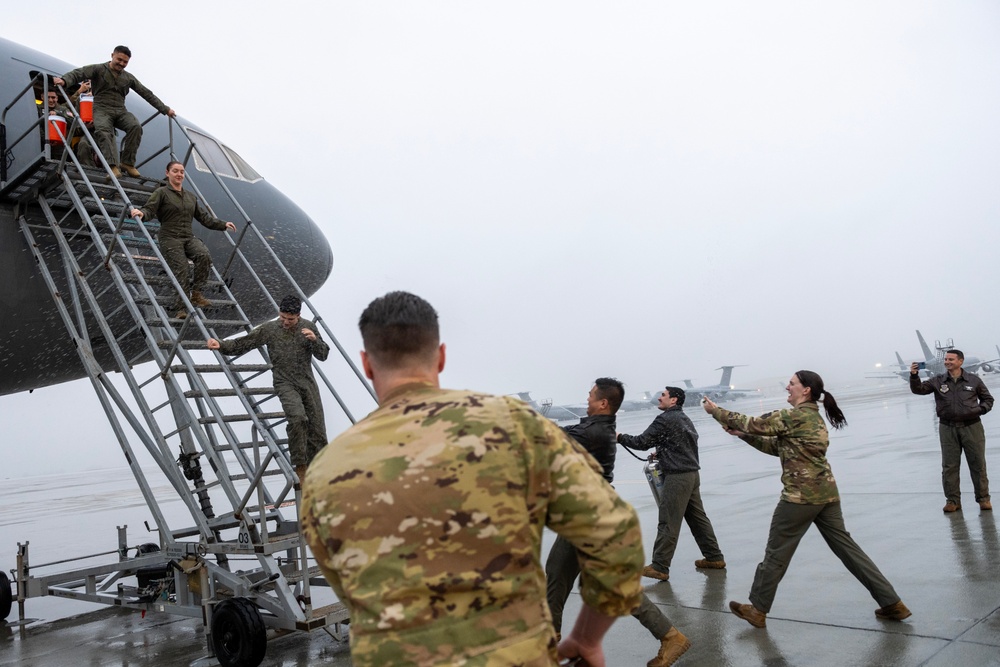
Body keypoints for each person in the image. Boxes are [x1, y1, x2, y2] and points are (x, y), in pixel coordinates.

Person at [301, 291, 644, 667]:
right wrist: (586, 637)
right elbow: (615, 535)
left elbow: (347, 586)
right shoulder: (513, 424)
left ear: (367, 364)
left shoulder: (325, 470)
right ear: (441, 356)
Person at [702, 370, 911, 628]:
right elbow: (777, 447)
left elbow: (755, 423)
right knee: (849, 550)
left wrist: (716, 411)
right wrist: (743, 436)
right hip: (826, 495)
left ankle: (757, 609)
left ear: (806, 390)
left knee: (776, 554)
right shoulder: (812, 419)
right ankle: (892, 603)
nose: (787, 388)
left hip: (800, 497)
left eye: (791, 384)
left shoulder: (794, 416)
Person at [546, 378, 690, 667]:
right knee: (557, 575)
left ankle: (670, 636)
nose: (586, 398)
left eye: (590, 395)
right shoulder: (595, 428)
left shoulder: (596, 430)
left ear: (603, 403)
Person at [207, 295, 328, 479]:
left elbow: (323, 354)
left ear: (298, 316)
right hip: (284, 381)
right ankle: (300, 466)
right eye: (282, 317)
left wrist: (314, 340)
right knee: (297, 418)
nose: (285, 322)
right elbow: (245, 342)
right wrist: (221, 345)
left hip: (307, 382)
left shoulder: (308, 327)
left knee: (317, 429)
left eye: (290, 319)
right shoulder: (270, 328)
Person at [617, 386, 726, 581]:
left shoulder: (665, 419)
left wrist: (619, 437)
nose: (659, 398)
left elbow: (641, 442)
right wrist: (663, 451)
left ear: (674, 400)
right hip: (691, 474)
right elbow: (684, 442)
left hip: (677, 477)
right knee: (698, 519)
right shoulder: (683, 418)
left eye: (663, 396)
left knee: (668, 520)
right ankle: (714, 557)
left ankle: (660, 566)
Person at [131, 161, 236, 318]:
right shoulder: (161, 193)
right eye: (175, 171)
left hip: (187, 237)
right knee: (182, 269)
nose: (179, 174)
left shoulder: (190, 197)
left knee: (203, 255)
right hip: (169, 237)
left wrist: (223, 224)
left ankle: (197, 293)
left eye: (181, 172)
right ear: (168, 173)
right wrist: (142, 214)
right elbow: (150, 209)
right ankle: (181, 309)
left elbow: (204, 218)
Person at [53, 45, 176, 178]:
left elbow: (146, 93)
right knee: (103, 131)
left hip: (120, 109)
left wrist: (165, 109)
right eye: (119, 59)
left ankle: (127, 163)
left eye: (125, 62)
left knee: (135, 126)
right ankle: (111, 166)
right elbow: (79, 73)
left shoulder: (128, 78)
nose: (122, 64)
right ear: (112, 55)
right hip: (101, 108)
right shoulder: (98, 69)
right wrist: (64, 80)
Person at [909, 350, 994, 512]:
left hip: (972, 426)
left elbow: (988, 399)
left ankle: (983, 499)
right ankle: (952, 501)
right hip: (947, 428)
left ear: (960, 361)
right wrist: (914, 376)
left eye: (951, 359)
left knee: (977, 464)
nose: (947, 362)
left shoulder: (974, 380)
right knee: (949, 466)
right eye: (946, 359)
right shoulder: (938, 381)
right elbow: (919, 389)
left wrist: (979, 410)